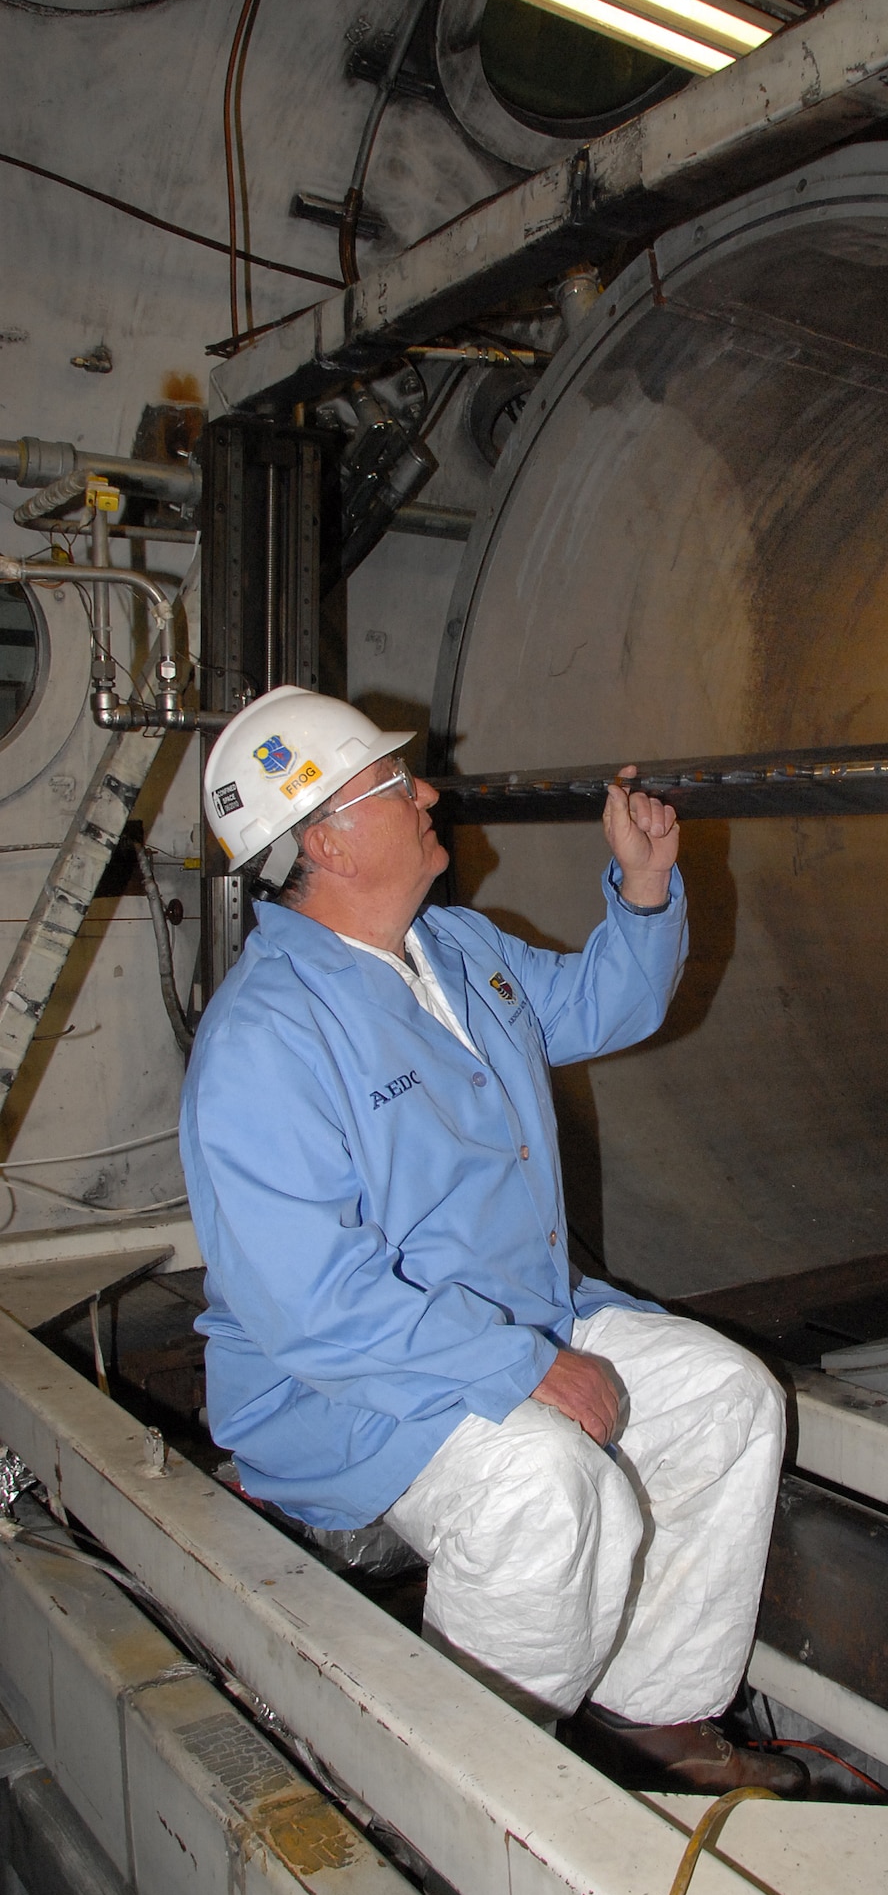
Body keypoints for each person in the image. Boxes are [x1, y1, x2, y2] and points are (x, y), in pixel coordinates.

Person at [182, 687, 803, 1794]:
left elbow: (603, 1006)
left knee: (726, 1396)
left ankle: (652, 1722)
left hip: (527, 1315)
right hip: (349, 1387)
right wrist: (526, 1368)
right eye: (392, 782)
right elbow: (313, 1307)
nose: (426, 792)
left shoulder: (456, 948)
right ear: (325, 837)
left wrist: (648, 883)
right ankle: (464, 1792)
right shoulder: (265, 1037)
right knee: (548, 1486)